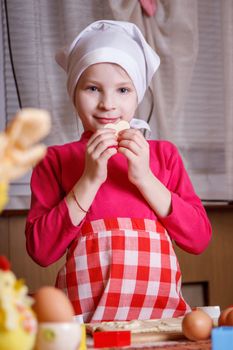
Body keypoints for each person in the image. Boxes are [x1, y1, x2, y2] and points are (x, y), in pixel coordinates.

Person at [25, 20, 212, 323]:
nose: (108, 103)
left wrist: (145, 178)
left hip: (160, 323)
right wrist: (89, 180)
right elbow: (41, 251)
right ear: (74, 92)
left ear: (137, 95)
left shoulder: (163, 156)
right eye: (92, 88)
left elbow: (199, 239)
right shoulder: (54, 160)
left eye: (123, 89)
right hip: (87, 326)